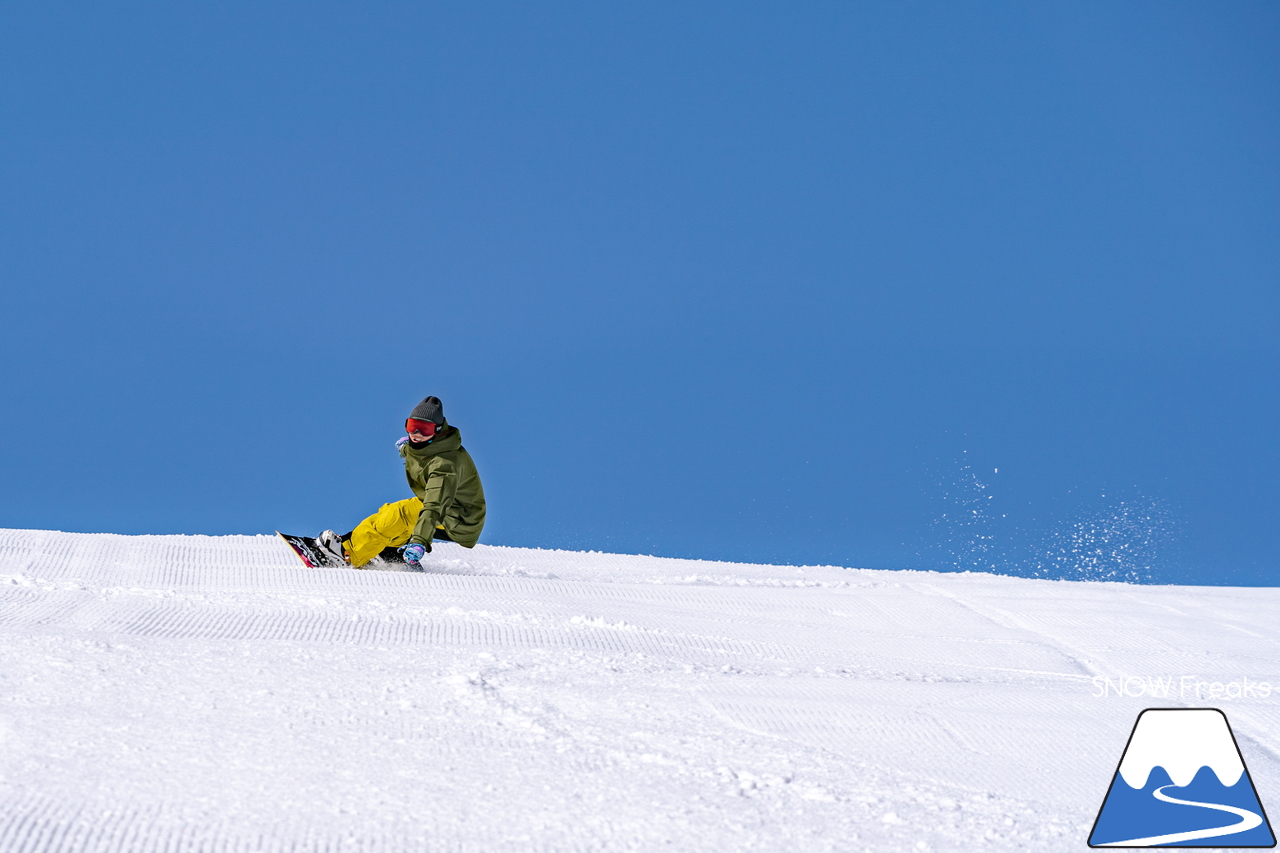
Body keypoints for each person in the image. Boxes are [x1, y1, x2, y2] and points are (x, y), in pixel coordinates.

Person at [317, 396, 486, 570]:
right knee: (389, 512)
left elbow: (434, 506)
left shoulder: (444, 465)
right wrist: (406, 450)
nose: (416, 434)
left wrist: (420, 541)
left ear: (437, 430)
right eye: (413, 427)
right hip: (456, 511)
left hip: (458, 517)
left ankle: (348, 555)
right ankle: (388, 550)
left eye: (425, 429)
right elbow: (422, 453)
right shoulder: (432, 445)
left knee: (400, 514)